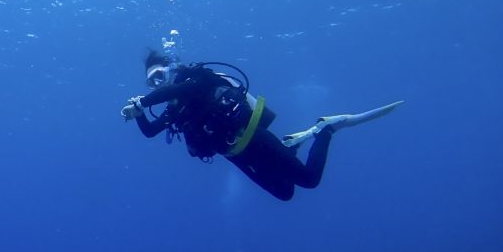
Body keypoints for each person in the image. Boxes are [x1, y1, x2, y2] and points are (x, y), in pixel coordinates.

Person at [121, 50, 401, 201]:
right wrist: (139, 114)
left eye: (159, 76)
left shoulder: (196, 80)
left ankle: (326, 128)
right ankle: (291, 144)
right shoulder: (175, 110)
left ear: (171, 68)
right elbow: (150, 132)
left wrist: (143, 101)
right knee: (285, 193)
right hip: (236, 155)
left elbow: (167, 93)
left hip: (253, 137)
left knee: (309, 181)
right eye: (151, 82)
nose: (158, 84)